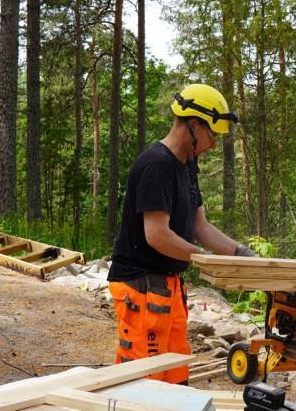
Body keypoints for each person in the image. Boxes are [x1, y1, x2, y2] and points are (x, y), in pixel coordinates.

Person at [106, 83, 255, 385]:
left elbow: (200, 226)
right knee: (143, 382)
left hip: (168, 287)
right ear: (194, 124)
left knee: (175, 376)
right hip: (140, 288)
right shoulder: (156, 165)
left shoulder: (187, 164)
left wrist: (241, 254)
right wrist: (205, 259)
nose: (214, 143)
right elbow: (157, 235)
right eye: (212, 134)